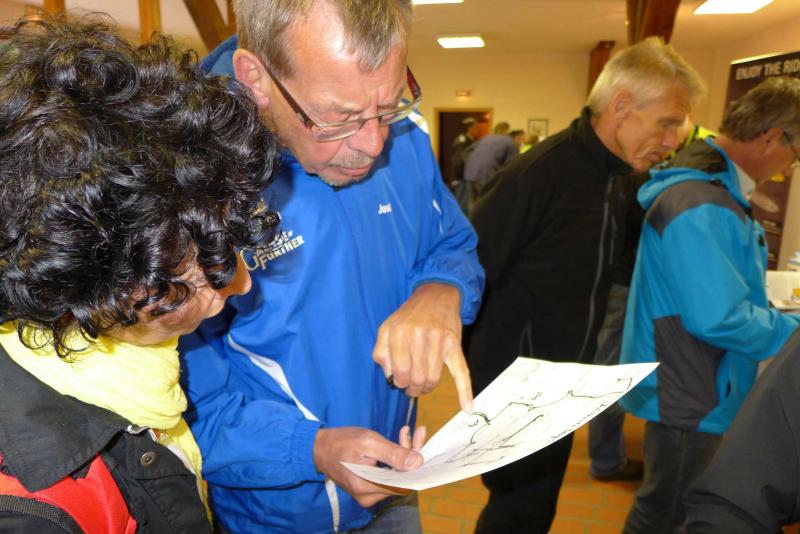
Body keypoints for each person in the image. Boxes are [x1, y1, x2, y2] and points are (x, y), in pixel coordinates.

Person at [178, 1, 485, 532]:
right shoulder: (189, 189)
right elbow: (187, 407)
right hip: (280, 511)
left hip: (397, 481)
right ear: (256, 78)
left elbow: (451, 242)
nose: (373, 143)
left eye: (388, 105)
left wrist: (439, 292)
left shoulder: (406, 139)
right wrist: (313, 449)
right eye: (338, 117)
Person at [0, 14, 278, 532]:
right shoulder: (33, 513)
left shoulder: (138, 373)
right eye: (206, 272)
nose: (242, 283)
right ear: (102, 290)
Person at [465, 37, 705, 533]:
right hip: (518, 387)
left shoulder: (618, 178)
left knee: (536, 511)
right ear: (622, 106)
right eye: (665, 123)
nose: (672, 140)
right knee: (516, 511)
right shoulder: (536, 176)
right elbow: (468, 274)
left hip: (565, 382)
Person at [619, 76, 800, 533]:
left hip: (695, 379)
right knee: (669, 512)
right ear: (771, 138)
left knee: (667, 506)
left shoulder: (713, 191)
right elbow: (718, 318)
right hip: (693, 386)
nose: (791, 166)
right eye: (795, 153)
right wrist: (793, 332)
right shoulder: (702, 201)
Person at [588, 120, 715, 483]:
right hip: (624, 285)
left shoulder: (626, 179)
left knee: (609, 369)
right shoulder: (644, 185)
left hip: (616, 283)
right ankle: (606, 461)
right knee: (612, 374)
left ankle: (606, 456)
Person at [683, 329, 800, 533]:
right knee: (663, 505)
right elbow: (716, 322)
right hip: (693, 397)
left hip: (698, 393)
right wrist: (783, 326)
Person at [463, 125, 521, 213]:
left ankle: (472, 220)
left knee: (473, 204)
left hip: (470, 173)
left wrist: (470, 163)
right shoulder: (509, 142)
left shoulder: (486, 138)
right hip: (486, 174)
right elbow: (512, 164)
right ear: (507, 132)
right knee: (487, 204)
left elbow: (466, 151)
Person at [451, 117, 481, 212]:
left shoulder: (471, 140)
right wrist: (457, 177)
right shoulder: (462, 141)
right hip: (462, 176)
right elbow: (458, 160)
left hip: (469, 176)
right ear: (470, 128)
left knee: (468, 203)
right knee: (462, 204)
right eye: (476, 128)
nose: (478, 130)